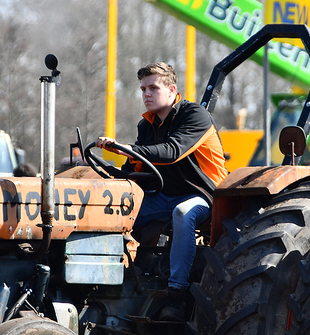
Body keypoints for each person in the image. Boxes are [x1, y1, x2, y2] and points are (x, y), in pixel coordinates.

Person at [95, 62, 228, 321]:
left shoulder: (194, 115)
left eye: (153, 87)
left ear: (171, 90)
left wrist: (126, 148)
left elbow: (172, 151)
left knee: (183, 214)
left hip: (204, 196)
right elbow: (133, 167)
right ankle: (118, 276)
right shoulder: (147, 126)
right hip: (165, 195)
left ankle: (176, 294)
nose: (146, 94)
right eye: (143, 88)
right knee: (113, 211)